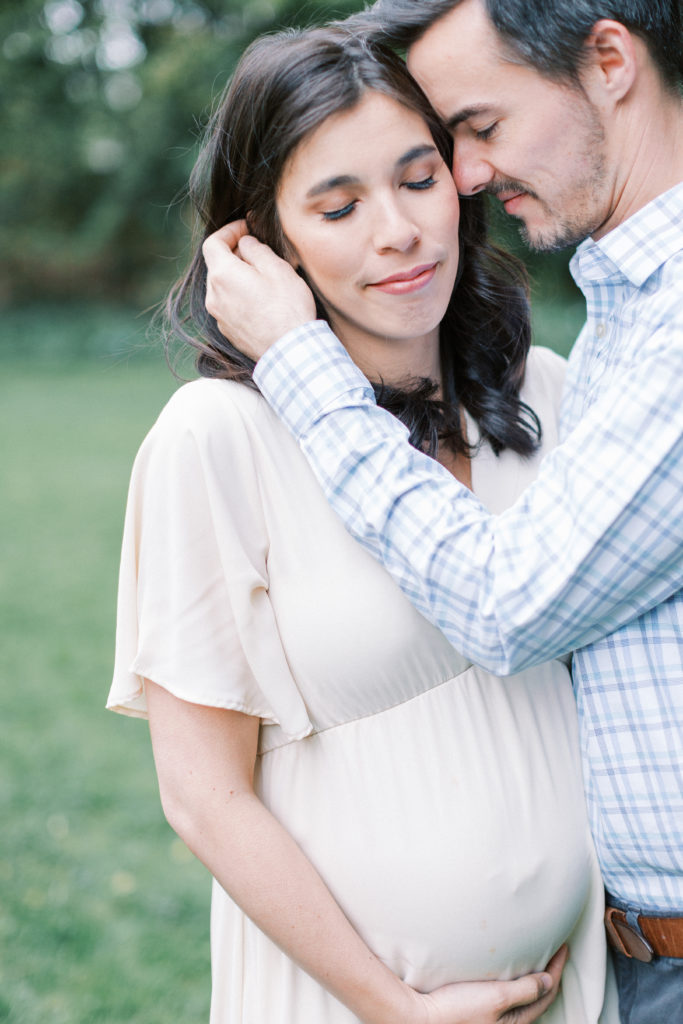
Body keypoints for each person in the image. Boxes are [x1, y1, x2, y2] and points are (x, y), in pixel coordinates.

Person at [107, 24, 620, 1024]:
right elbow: (203, 797)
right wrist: (390, 1005)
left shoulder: (546, 396)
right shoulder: (217, 442)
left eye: (417, 178)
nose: (398, 230)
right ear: (262, 241)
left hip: (583, 993)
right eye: (337, 206)